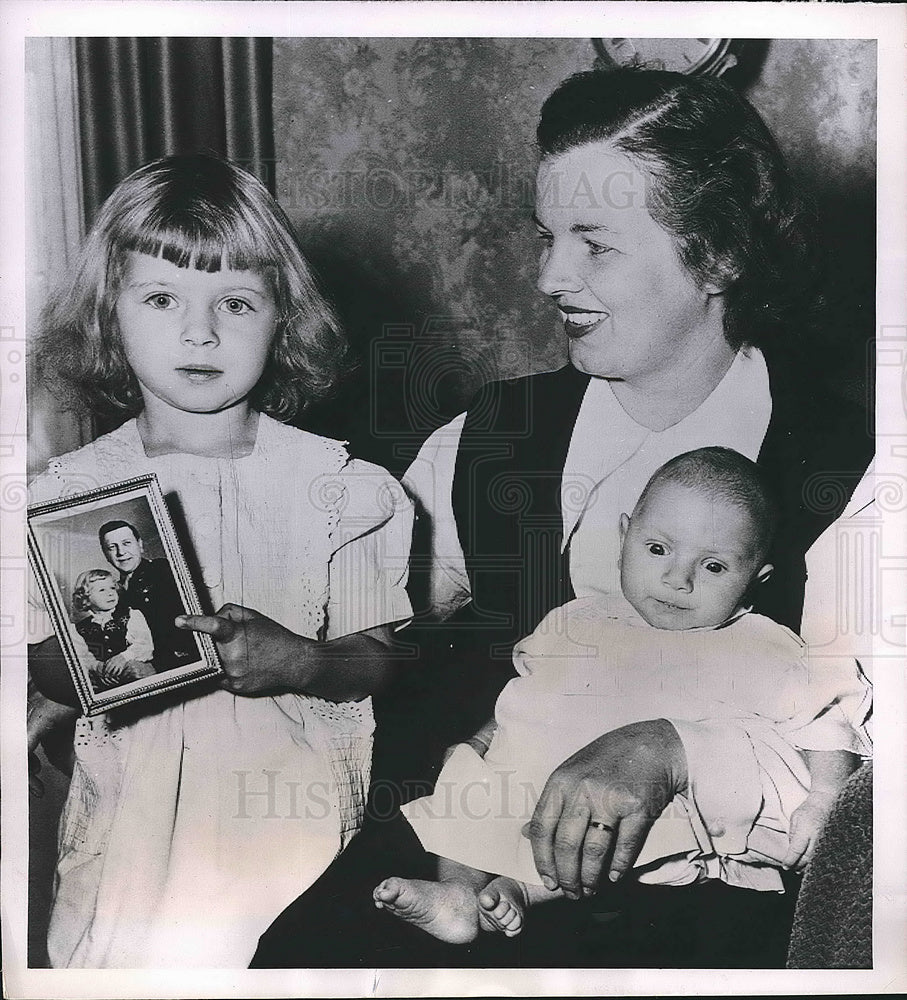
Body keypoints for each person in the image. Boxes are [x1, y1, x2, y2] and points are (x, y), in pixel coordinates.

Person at [253, 68, 873, 969]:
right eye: (546, 238)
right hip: (463, 861)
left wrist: (674, 748)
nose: (548, 276)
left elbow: (860, 784)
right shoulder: (492, 435)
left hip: (705, 900)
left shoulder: (846, 469)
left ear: (719, 255)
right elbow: (354, 619)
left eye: (594, 243)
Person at [26, 152, 413, 968]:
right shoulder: (70, 492)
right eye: (162, 297)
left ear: (283, 318)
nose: (199, 332)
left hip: (292, 836)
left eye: (235, 302)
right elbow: (50, 673)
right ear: (109, 313)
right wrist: (94, 648)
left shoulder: (340, 488)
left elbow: (378, 662)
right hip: (135, 844)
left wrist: (303, 660)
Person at [373, 448, 871, 943]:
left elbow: (824, 719)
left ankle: (526, 892)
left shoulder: (760, 644)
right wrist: (484, 741)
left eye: (714, 567)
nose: (678, 580)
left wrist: (825, 797)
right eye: (658, 550)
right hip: (526, 779)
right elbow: (524, 693)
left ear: (755, 579)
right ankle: (457, 894)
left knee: (649, 823)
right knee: (471, 783)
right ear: (624, 537)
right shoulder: (577, 619)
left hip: (642, 811)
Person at [97, 519, 198, 670]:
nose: (121, 552)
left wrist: (156, 668)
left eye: (126, 543)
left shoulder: (163, 570)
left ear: (140, 545)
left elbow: (186, 631)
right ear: (106, 554)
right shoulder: (113, 591)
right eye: (112, 547)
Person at [71, 567, 155, 690]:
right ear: (86, 599)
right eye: (102, 590)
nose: (110, 593)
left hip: (134, 677)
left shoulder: (131, 615)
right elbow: (82, 657)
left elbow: (145, 645)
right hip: (104, 686)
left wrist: (124, 657)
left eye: (112, 588)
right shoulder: (78, 629)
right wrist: (97, 668)